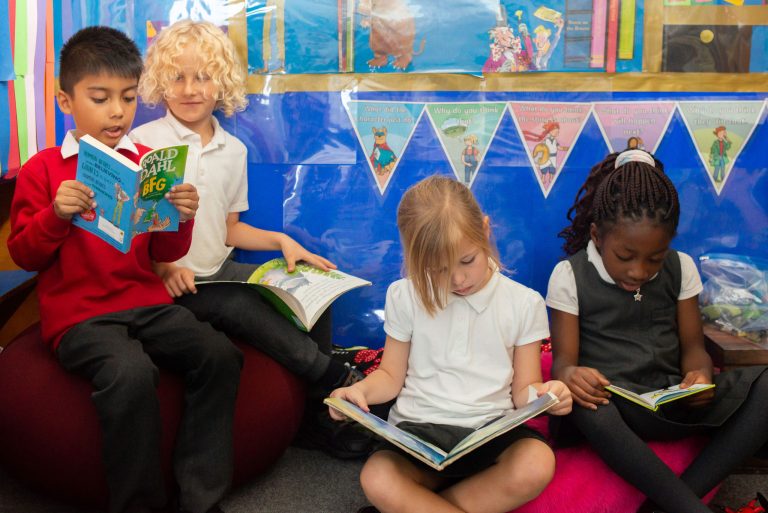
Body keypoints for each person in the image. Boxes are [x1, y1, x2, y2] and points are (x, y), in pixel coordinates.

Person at [8, 26, 243, 513]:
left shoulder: (147, 163)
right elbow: (25, 255)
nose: (117, 111)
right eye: (100, 98)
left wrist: (183, 214)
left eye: (129, 97)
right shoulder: (44, 169)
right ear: (66, 101)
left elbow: (166, 248)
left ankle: (200, 497)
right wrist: (56, 215)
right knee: (131, 373)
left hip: (145, 302)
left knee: (219, 355)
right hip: (79, 317)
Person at [129, 20, 371, 458]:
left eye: (203, 76)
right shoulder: (143, 143)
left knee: (314, 289)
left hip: (220, 270)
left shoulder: (233, 150)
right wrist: (163, 267)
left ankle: (314, 421)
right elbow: (132, 228)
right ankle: (334, 377)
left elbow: (230, 229)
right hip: (172, 286)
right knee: (236, 304)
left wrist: (282, 242)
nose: (190, 89)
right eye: (177, 77)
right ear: (161, 82)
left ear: (220, 83)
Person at [330, 175, 572, 513]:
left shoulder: (523, 303)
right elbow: (389, 377)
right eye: (438, 270)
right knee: (377, 476)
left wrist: (546, 395)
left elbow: (523, 391)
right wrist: (358, 393)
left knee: (536, 463)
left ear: (485, 230)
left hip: (490, 433)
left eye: (467, 260)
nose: (457, 279)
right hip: (417, 435)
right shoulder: (404, 295)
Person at [547, 149, 768, 513]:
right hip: (613, 409)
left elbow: (694, 348)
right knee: (585, 405)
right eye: (625, 256)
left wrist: (699, 377)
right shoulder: (569, 275)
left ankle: (662, 506)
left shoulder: (682, 267)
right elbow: (563, 364)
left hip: (669, 400)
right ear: (597, 235)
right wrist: (572, 375)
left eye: (655, 258)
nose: (639, 271)